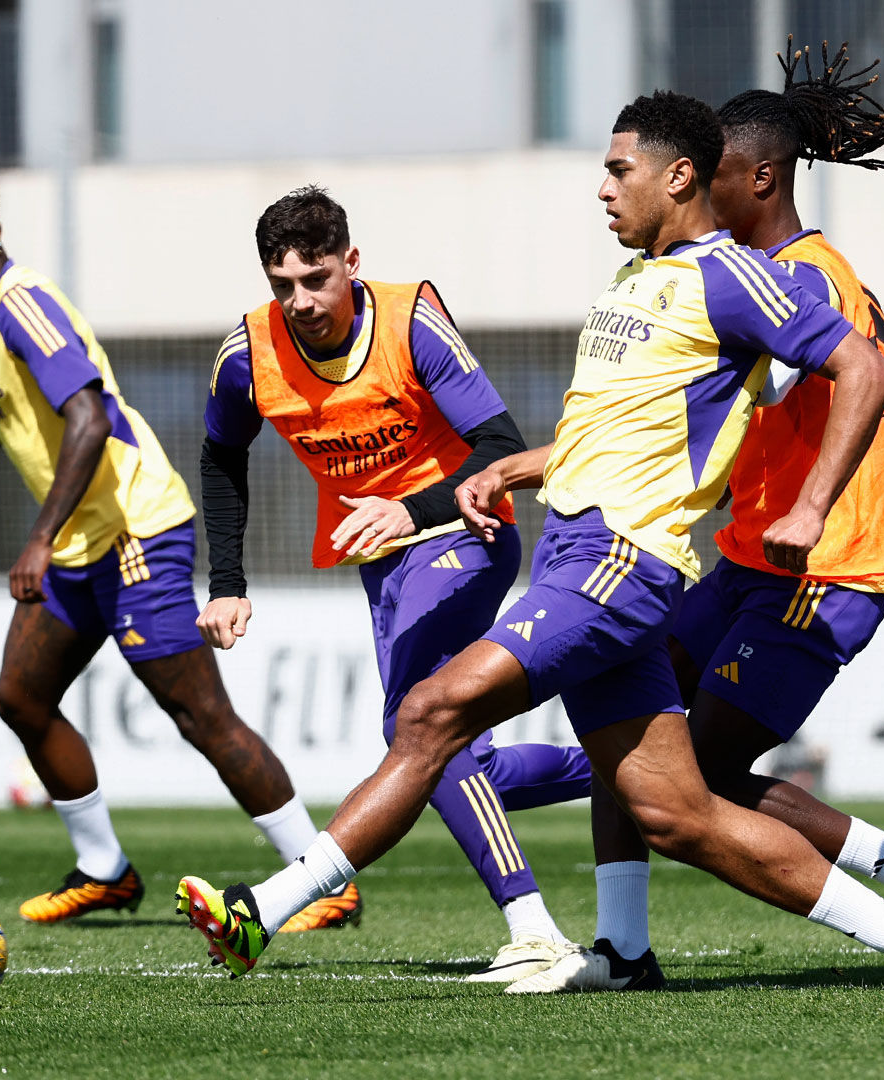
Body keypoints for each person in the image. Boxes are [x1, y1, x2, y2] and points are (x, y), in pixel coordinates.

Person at [174, 91, 884, 993]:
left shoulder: (734, 275)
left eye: (617, 170)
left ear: (679, 177)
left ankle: (265, 911)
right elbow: (619, 434)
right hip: (583, 553)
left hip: (618, 562)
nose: (602, 189)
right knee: (677, 813)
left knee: (430, 712)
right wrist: (516, 470)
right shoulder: (637, 280)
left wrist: (810, 507)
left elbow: (863, 365)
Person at [517, 43, 884, 995]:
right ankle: (622, 950)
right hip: (743, 562)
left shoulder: (810, 279)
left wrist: (812, 508)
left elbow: (864, 381)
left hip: (826, 569)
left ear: (759, 177)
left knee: (705, 780)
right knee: (632, 741)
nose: (687, 190)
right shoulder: (723, 278)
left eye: (712, 173)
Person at [0, 159, 354, 931]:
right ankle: (106, 870)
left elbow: (89, 418)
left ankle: (322, 879)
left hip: (134, 529)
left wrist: (36, 539)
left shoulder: (26, 307)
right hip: (78, 541)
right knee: (20, 698)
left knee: (200, 717)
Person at [197, 185, 593, 982]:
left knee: (421, 725)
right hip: (380, 554)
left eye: (316, 279)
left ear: (351, 263)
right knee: (435, 752)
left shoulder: (411, 320)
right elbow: (220, 456)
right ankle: (637, 767)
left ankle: (534, 928)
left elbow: (500, 447)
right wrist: (230, 580)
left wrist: (412, 511)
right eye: (283, 285)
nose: (300, 301)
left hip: (463, 533)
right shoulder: (247, 354)